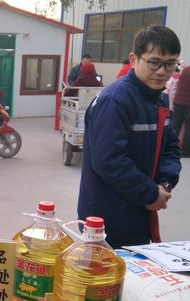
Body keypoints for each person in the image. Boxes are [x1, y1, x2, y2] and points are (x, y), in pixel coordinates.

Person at [77, 25, 182, 249]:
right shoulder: (115, 101)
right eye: (154, 62)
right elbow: (109, 161)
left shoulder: (159, 99)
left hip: (139, 213)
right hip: (107, 220)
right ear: (134, 59)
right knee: (107, 270)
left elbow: (171, 147)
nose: (162, 71)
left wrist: (164, 185)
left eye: (170, 64)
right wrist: (150, 193)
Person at [172, 64, 190, 157]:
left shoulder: (185, 70)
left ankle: (171, 148)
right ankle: (186, 151)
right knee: (188, 128)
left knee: (175, 126)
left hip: (178, 102)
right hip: (188, 103)